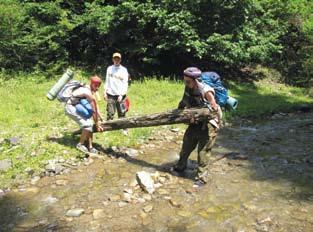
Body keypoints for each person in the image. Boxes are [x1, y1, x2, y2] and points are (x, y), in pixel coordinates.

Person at [174, 67, 222, 186]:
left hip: (209, 125)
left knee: (203, 153)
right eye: (185, 81)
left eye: (188, 81)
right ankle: (180, 167)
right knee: (186, 147)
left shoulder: (206, 91)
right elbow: (184, 101)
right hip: (194, 123)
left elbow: (214, 109)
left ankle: (201, 178)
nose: (186, 83)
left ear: (195, 80)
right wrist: (177, 113)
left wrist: (206, 113)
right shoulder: (188, 88)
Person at [65, 75, 104, 154]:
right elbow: (94, 110)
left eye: (98, 86)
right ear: (91, 84)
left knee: (89, 123)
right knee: (87, 125)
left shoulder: (89, 89)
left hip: (77, 105)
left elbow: (95, 106)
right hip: (70, 107)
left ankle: (90, 147)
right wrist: (97, 124)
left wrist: (100, 117)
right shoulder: (87, 92)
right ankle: (80, 144)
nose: (97, 88)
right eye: (95, 85)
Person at [103, 52, 129, 135]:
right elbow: (107, 81)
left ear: (120, 60)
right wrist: (104, 91)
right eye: (115, 58)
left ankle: (124, 129)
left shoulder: (124, 70)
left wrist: (121, 94)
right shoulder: (109, 69)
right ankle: (108, 129)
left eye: (118, 58)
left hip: (121, 95)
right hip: (110, 94)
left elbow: (126, 83)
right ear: (112, 59)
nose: (116, 60)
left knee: (122, 113)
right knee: (110, 113)